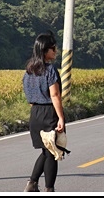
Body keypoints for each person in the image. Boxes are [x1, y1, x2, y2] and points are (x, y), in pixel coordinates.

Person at [22, 31, 66, 192]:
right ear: (45, 51)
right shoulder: (50, 70)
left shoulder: (29, 71)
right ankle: (49, 189)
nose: (55, 52)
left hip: (35, 114)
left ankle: (32, 183)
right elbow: (55, 95)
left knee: (47, 150)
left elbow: (29, 97)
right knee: (53, 152)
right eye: (53, 49)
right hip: (49, 113)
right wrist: (60, 117)